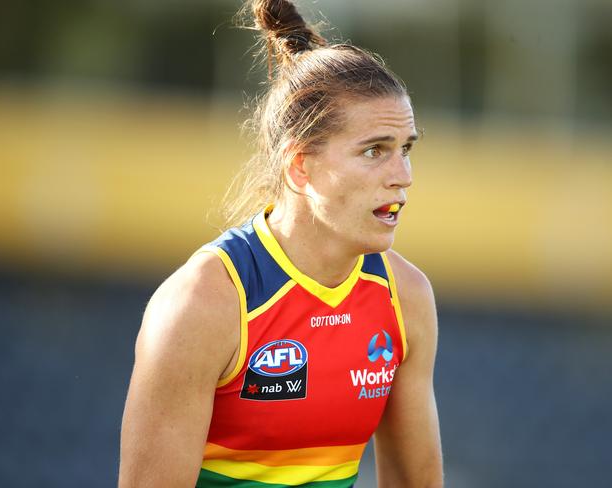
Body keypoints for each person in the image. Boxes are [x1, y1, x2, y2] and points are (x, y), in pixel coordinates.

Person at [118, 0, 443, 486]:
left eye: (406, 150)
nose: (403, 177)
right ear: (300, 166)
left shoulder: (406, 298)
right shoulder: (202, 306)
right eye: (375, 150)